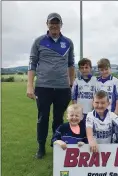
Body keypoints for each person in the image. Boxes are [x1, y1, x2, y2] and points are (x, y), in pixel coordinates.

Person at [26, 12, 76, 159]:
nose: (54, 25)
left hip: (62, 88)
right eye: (51, 23)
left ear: (61, 25)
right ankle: (41, 147)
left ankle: (56, 143)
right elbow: (32, 63)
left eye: (57, 23)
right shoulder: (39, 41)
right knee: (43, 118)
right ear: (47, 24)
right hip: (43, 87)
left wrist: (71, 83)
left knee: (58, 118)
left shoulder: (68, 42)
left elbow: (71, 64)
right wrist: (30, 85)